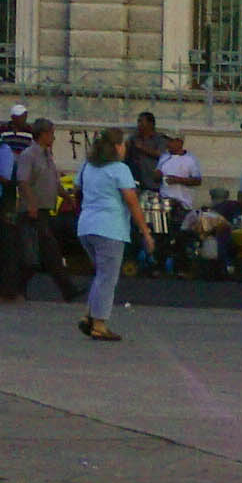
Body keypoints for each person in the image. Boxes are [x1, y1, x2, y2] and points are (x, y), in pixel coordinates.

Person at [74, 128, 139, 342]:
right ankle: (99, 324)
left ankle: (89, 315)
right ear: (117, 147)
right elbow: (131, 201)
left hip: (86, 226)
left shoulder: (87, 166)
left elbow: (77, 189)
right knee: (108, 277)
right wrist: (145, 231)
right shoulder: (120, 169)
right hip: (110, 228)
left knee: (101, 274)